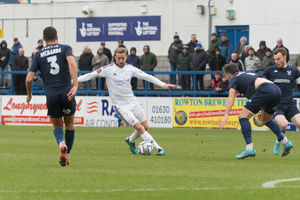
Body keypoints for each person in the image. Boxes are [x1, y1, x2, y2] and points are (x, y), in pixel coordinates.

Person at [77, 47, 175, 155]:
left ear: (126, 57)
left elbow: (147, 76)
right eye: (118, 58)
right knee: (139, 127)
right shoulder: (108, 69)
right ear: (115, 57)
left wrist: (163, 84)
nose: (121, 60)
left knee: (145, 126)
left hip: (132, 102)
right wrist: (73, 81)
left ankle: (131, 140)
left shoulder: (130, 68)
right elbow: (91, 75)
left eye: (123, 58)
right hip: (120, 106)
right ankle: (158, 148)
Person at [26, 27, 78, 166]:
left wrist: (29, 94)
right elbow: (72, 63)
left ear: (43, 38)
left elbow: (29, 79)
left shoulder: (38, 54)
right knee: (69, 124)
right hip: (67, 93)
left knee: (57, 125)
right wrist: (76, 85)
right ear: (57, 37)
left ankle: (61, 144)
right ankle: (67, 154)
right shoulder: (66, 48)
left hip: (52, 95)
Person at [219, 63, 293, 159]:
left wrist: (226, 114)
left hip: (265, 90)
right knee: (265, 119)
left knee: (243, 117)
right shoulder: (245, 75)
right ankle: (286, 142)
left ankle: (250, 148)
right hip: (276, 90)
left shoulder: (234, 78)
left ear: (229, 74)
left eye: (226, 75)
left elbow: (231, 95)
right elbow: (255, 93)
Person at [262, 48, 300, 155]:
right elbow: (260, 81)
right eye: (275, 59)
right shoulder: (270, 70)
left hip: (290, 105)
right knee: (283, 125)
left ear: (284, 57)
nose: (276, 61)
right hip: (277, 105)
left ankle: (281, 142)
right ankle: (280, 141)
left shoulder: (293, 70)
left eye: (278, 59)